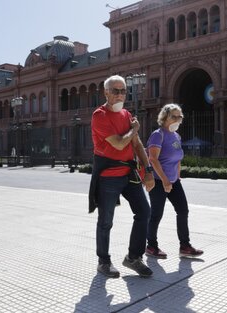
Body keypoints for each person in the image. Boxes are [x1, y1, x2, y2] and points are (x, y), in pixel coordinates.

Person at [89, 75, 155, 278]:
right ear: (106, 92)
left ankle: (133, 258)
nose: (120, 95)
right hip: (108, 176)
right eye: (115, 91)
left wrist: (148, 170)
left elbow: (137, 145)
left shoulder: (126, 114)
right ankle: (104, 262)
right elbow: (118, 143)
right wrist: (134, 129)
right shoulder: (99, 115)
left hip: (129, 174)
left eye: (123, 91)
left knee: (144, 212)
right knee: (106, 221)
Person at [145, 104, 204, 259]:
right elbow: (153, 159)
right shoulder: (158, 135)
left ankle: (184, 246)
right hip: (159, 181)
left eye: (180, 117)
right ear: (164, 118)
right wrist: (165, 180)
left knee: (183, 211)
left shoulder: (176, 136)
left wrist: (176, 176)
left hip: (173, 181)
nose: (178, 119)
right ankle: (151, 246)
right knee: (156, 214)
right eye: (174, 116)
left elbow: (177, 158)